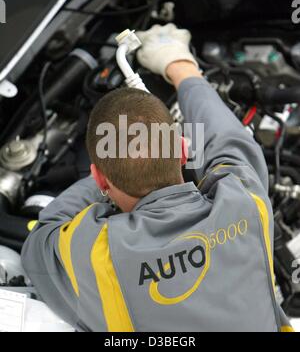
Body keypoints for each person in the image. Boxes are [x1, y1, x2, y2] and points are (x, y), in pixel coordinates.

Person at [21, 24, 292, 332]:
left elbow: (43, 233)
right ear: (181, 148)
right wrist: (179, 64)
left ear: (97, 178)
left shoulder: (93, 253)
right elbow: (229, 139)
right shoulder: (246, 200)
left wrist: (116, 168)